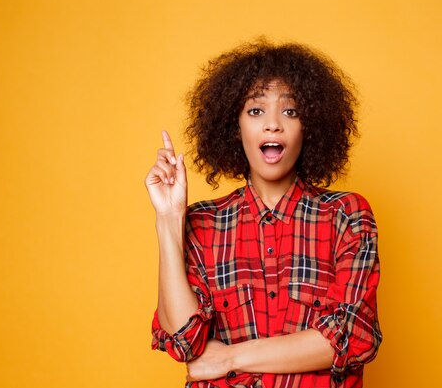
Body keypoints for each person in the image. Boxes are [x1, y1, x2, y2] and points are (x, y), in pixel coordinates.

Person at [145, 40, 382, 388]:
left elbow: (350, 335)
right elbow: (184, 341)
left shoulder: (346, 216)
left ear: (310, 126)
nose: (273, 125)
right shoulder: (202, 224)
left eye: (290, 111)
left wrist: (228, 357)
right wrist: (169, 218)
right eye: (256, 111)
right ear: (234, 126)